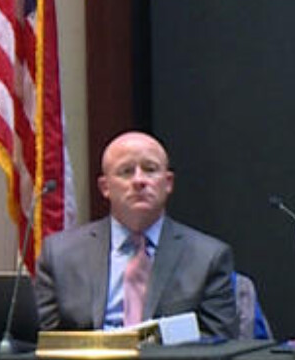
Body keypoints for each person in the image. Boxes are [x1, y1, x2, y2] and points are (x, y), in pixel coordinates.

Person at [34, 131, 237, 338]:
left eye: (150, 170)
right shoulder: (60, 255)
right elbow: (41, 342)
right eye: (126, 171)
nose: (139, 180)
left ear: (168, 183)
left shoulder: (208, 257)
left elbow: (219, 343)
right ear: (105, 187)